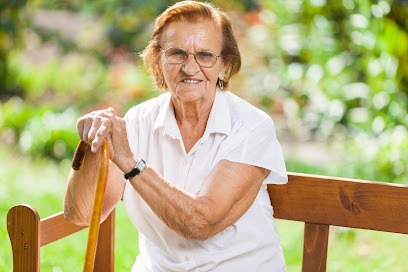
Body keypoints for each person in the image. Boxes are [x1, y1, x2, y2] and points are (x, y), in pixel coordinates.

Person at [63, 1, 288, 271]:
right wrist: (91, 145)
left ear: (224, 64)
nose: (190, 68)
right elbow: (81, 214)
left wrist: (131, 164)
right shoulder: (137, 121)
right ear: (158, 60)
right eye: (177, 54)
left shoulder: (251, 127)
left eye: (205, 55)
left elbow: (201, 223)